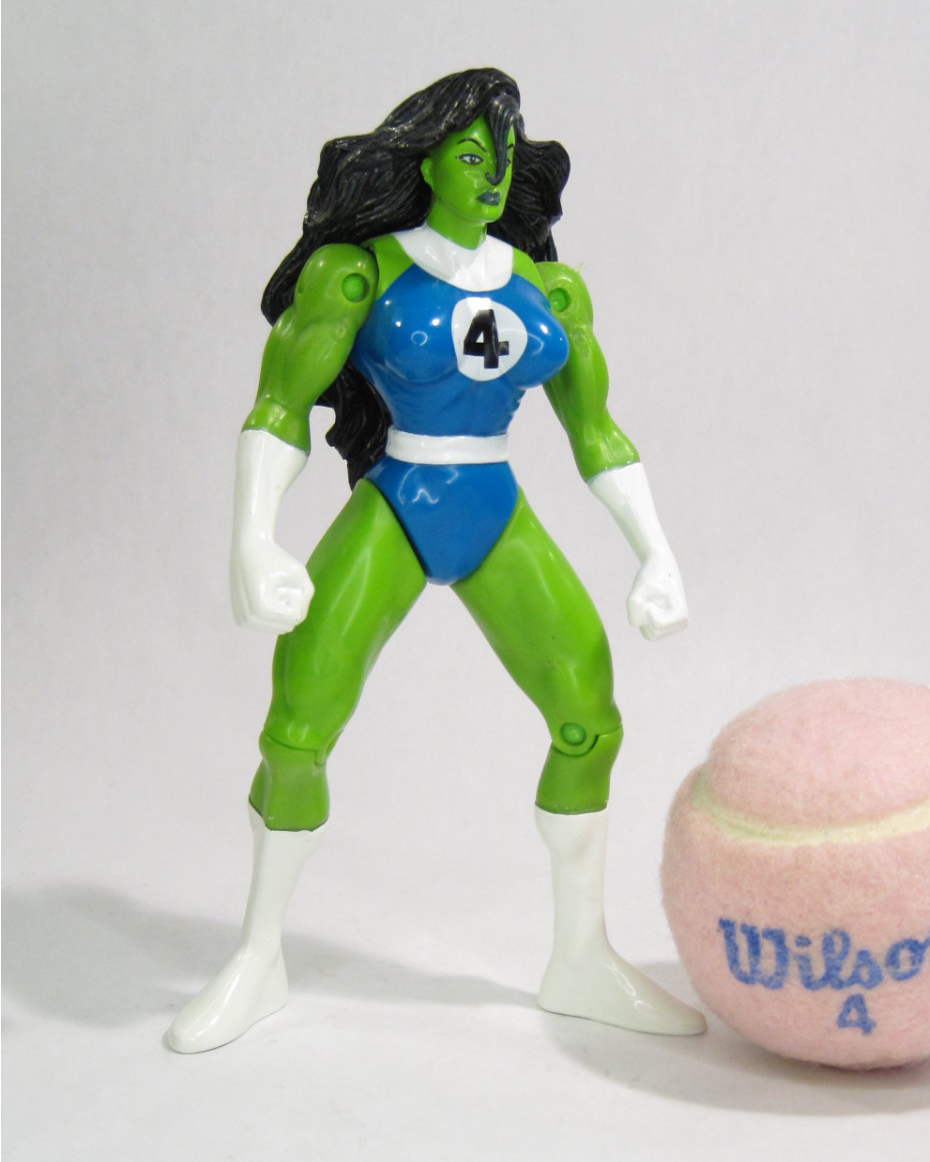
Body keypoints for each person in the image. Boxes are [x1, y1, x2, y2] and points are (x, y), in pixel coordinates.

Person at [167, 68, 705, 1053]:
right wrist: (252, 537)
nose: (491, 174)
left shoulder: (549, 288)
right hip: (398, 504)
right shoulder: (357, 274)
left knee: (588, 717)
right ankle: (258, 954)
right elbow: (281, 403)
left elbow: (595, 431)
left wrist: (655, 553)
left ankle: (580, 957)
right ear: (425, 163)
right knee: (298, 726)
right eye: (468, 154)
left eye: (501, 156)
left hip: (493, 509)